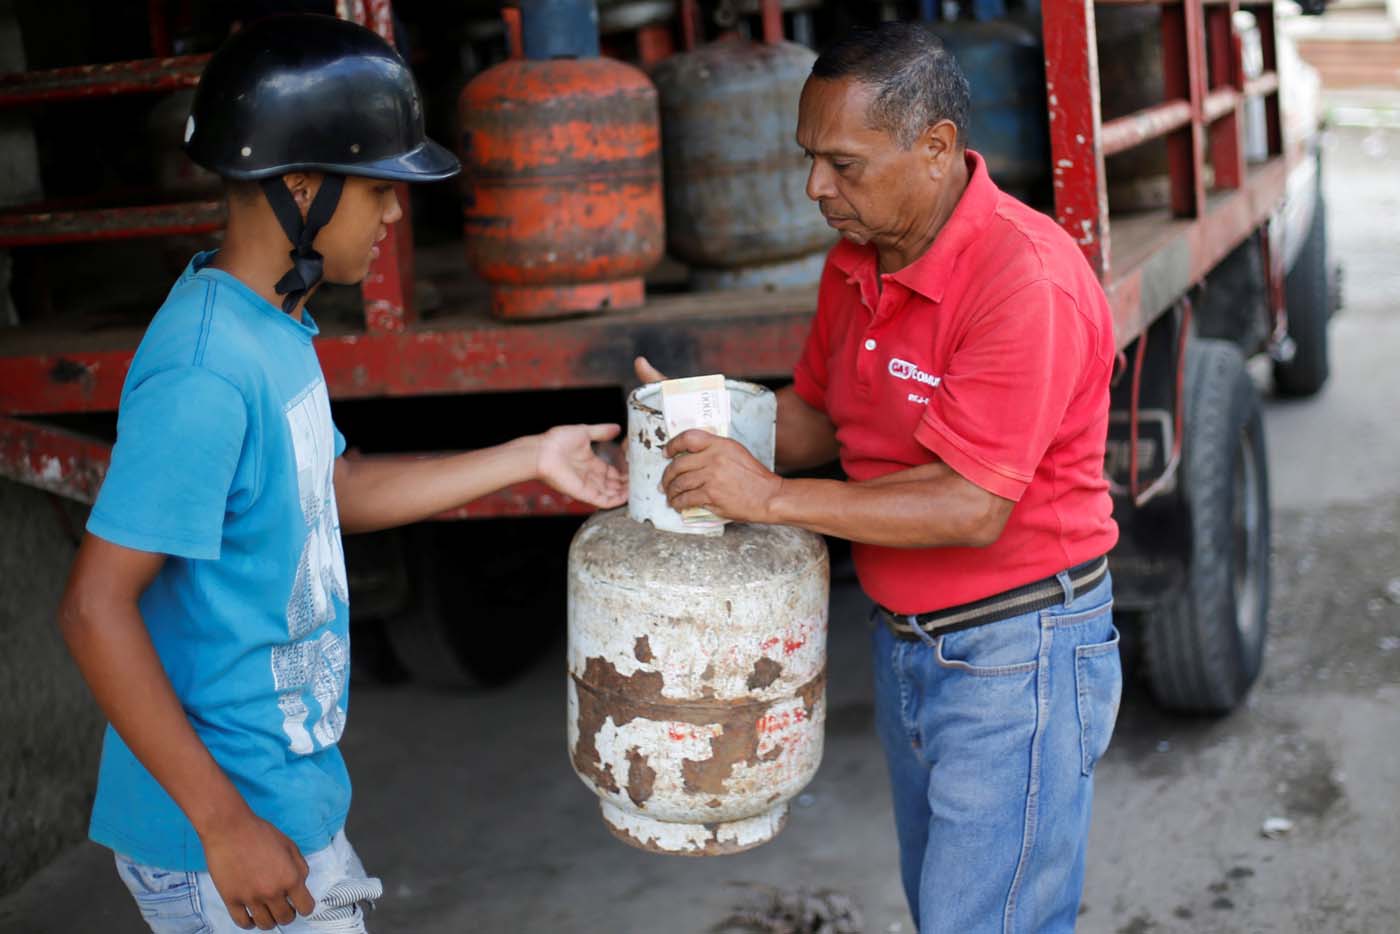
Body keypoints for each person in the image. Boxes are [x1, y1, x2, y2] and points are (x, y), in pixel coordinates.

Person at [57, 15, 625, 933]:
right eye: (379, 191)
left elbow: (336, 489)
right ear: (301, 187)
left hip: (278, 796)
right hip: (221, 831)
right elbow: (93, 607)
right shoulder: (204, 371)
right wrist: (224, 822)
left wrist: (529, 456)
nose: (397, 215)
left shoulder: (273, 326)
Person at [637, 22, 1122, 934]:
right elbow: (824, 418)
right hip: (909, 645)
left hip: (1018, 652)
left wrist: (768, 498)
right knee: (951, 910)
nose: (817, 187)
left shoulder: (1023, 281)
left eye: (844, 165)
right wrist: (701, 425)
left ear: (935, 148)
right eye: (809, 159)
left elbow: (970, 505)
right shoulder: (856, 262)